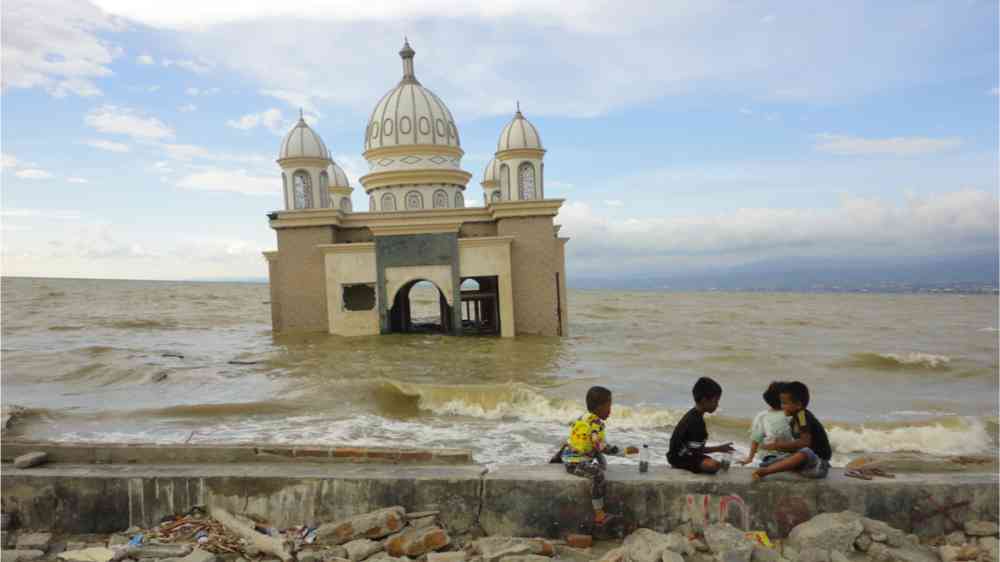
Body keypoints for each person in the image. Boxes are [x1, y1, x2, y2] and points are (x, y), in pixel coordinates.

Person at [561, 386, 638, 526]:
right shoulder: (595, 424)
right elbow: (602, 447)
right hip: (575, 462)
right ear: (599, 407)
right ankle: (599, 514)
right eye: (608, 406)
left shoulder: (584, 417)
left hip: (571, 455)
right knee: (598, 475)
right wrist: (625, 452)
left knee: (600, 462)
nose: (610, 410)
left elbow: (586, 442)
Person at [752, 380, 832, 481]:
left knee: (804, 452)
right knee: (766, 463)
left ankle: (766, 472)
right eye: (781, 402)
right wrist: (777, 447)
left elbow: (805, 443)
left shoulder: (802, 416)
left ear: (798, 404)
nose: (782, 406)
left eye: (785, 403)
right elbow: (796, 446)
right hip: (806, 460)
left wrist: (778, 445)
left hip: (818, 461)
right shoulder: (793, 420)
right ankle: (773, 468)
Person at [667, 377, 735, 474]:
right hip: (680, 458)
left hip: (685, 454)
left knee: (714, 464)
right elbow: (697, 451)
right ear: (704, 400)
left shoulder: (694, 415)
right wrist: (719, 448)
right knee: (713, 466)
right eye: (715, 401)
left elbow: (695, 449)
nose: (717, 405)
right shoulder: (695, 422)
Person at [738, 381, 794, 467]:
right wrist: (750, 458)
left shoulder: (762, 416)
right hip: (774, 454)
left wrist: (750, 458)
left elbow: (756, 439)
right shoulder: (792, 415)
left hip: (775, 454)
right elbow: (756, 438)